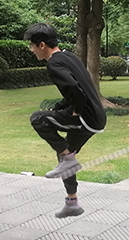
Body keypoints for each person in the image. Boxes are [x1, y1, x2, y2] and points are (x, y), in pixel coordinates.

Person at [25, 23, 106, 218]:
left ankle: (68, 160)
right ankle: (72, 202)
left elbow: (75, 90)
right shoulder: (68, 56)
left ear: (42, 45)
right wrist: (58, 108)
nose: (31, 50)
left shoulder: (54, 64)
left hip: (85, 117)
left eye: (32, 45)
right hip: (97, 116)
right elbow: (77, 87)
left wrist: (76, 110)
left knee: (38, 118)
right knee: (64, 154)